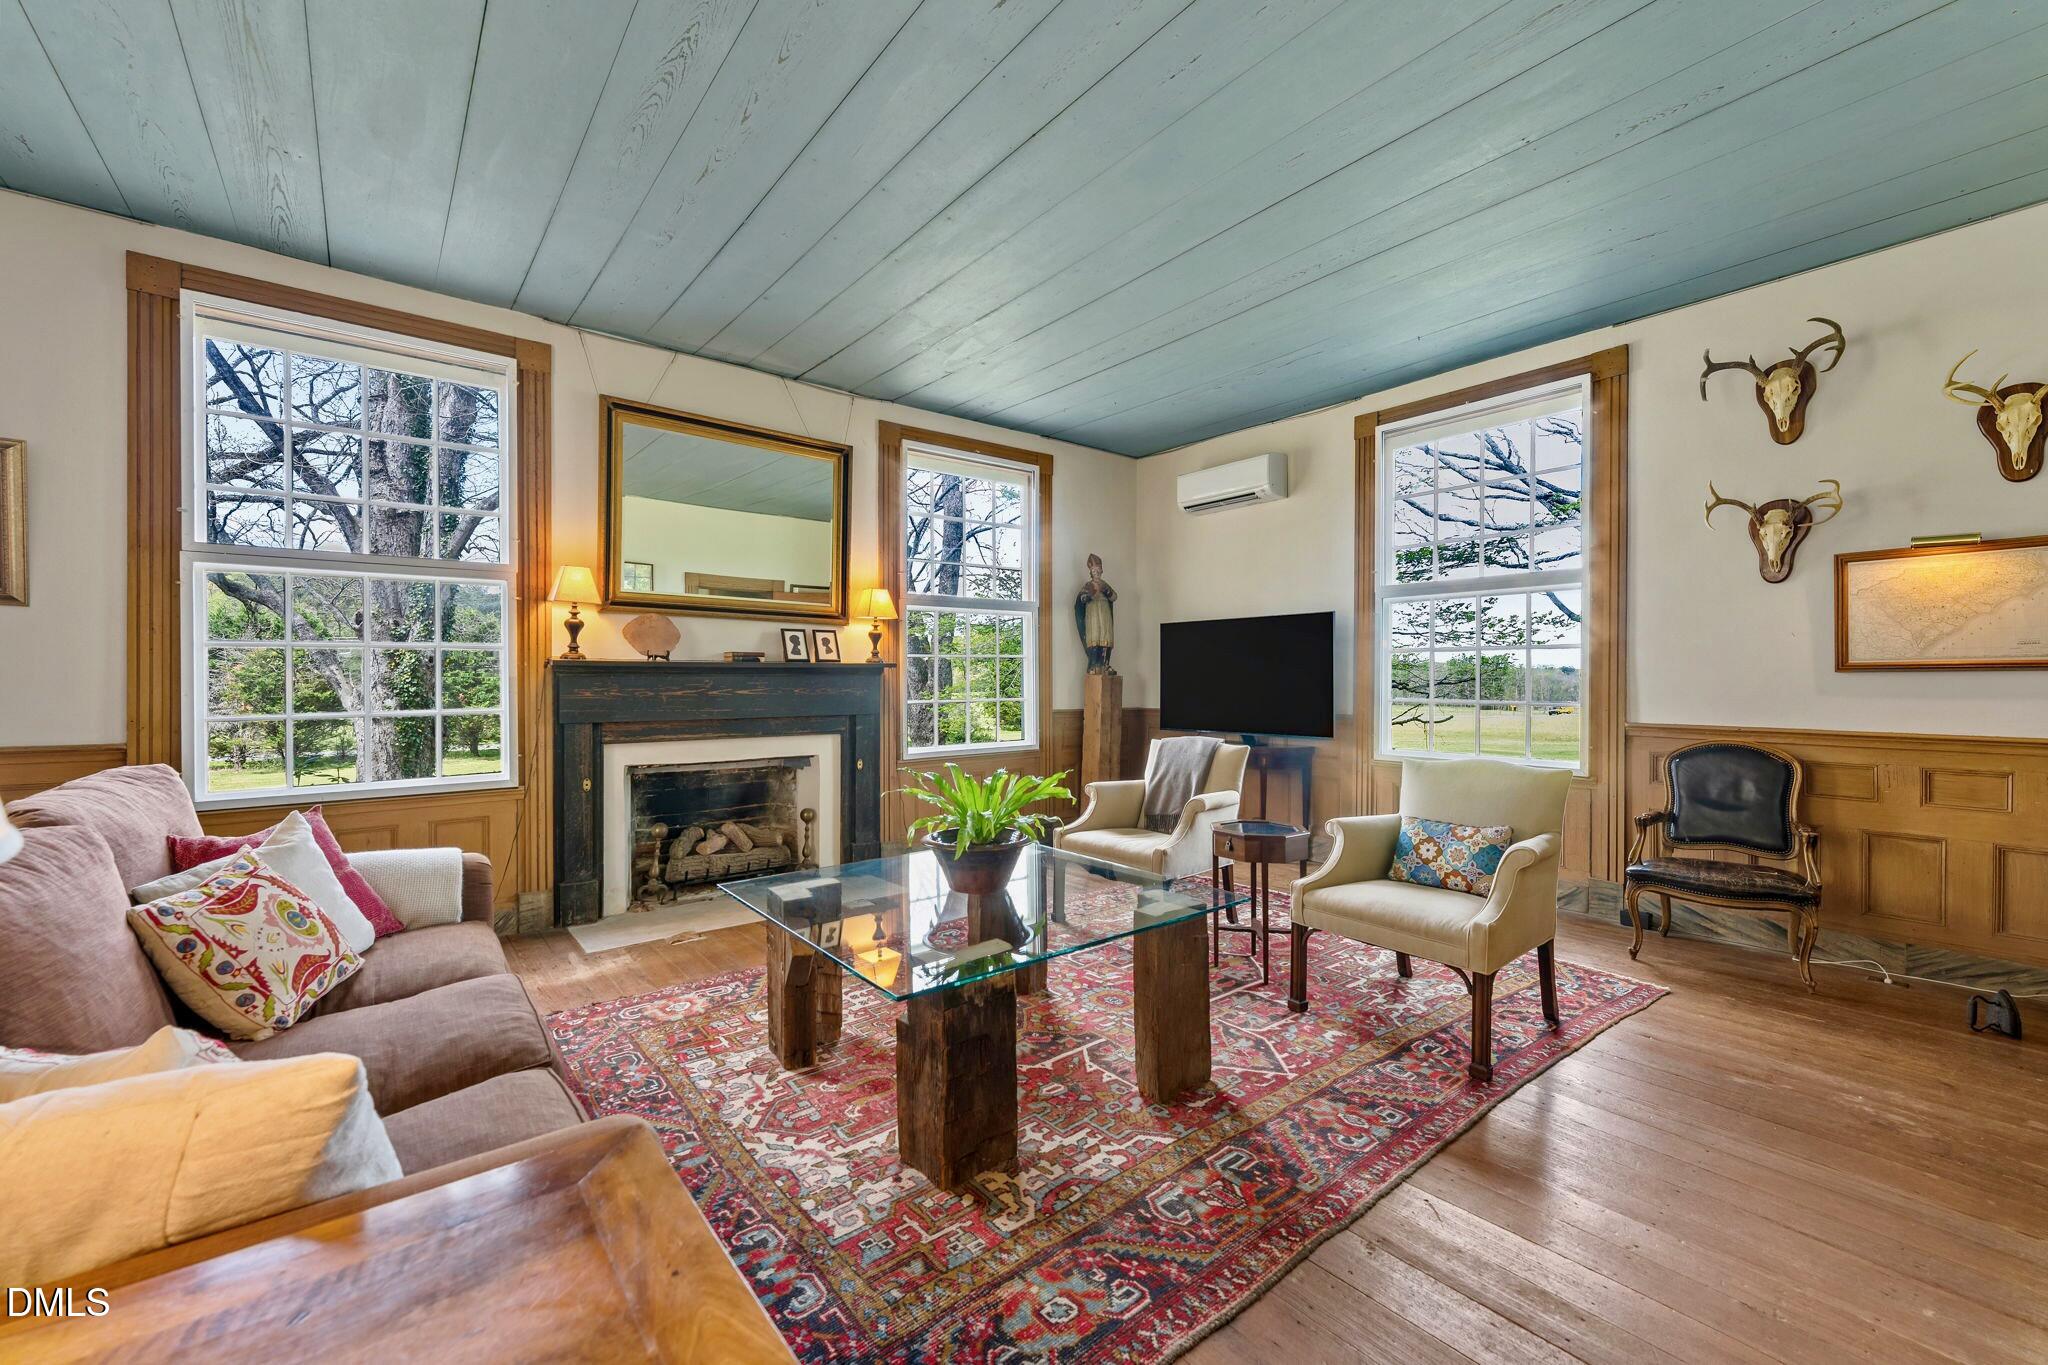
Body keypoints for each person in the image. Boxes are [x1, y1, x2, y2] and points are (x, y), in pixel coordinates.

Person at [1074, 553, 1116, 675]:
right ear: (1091, 572)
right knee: (1094, 638)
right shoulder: (1088, 586)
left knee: (1105, 637)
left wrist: (1105, 590)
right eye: (1093, 570)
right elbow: (1081, 600)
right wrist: (1090, 595)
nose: (1096, 572)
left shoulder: (1104, 584)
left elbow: (1114, 597)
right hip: (1092, 615)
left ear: (1101, 570)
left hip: (1104, 613)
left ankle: (1105, 664)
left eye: (1098, 570)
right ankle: (1093, 664)